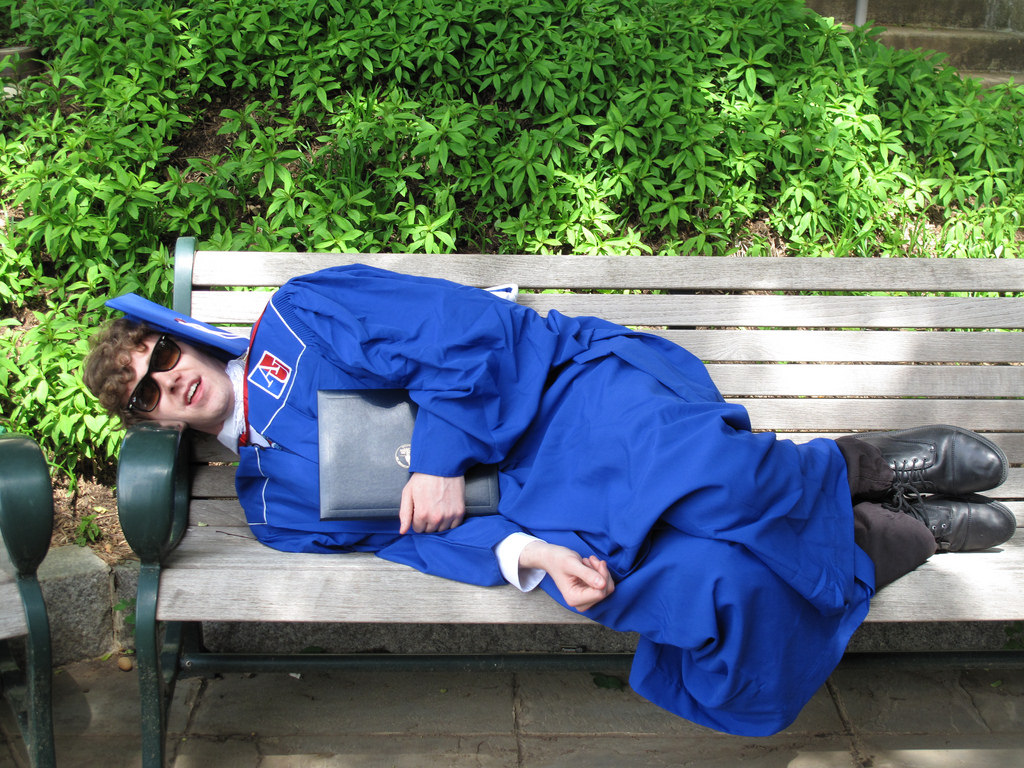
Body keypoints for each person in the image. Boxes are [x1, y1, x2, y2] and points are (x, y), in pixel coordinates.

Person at [83, 265, 1015, 736]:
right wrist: (522, 555)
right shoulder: (271, 507)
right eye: (145, 395)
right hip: (532, 510)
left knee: (714, 478)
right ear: (150, 420)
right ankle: (880, 539)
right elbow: (402, 542)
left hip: (564, 400)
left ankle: (856, 467)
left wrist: (436, 460)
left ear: (180, 339)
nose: (169, 381)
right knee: (719, 588)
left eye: (161, 357)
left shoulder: (300, 314)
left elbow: (467, 332)